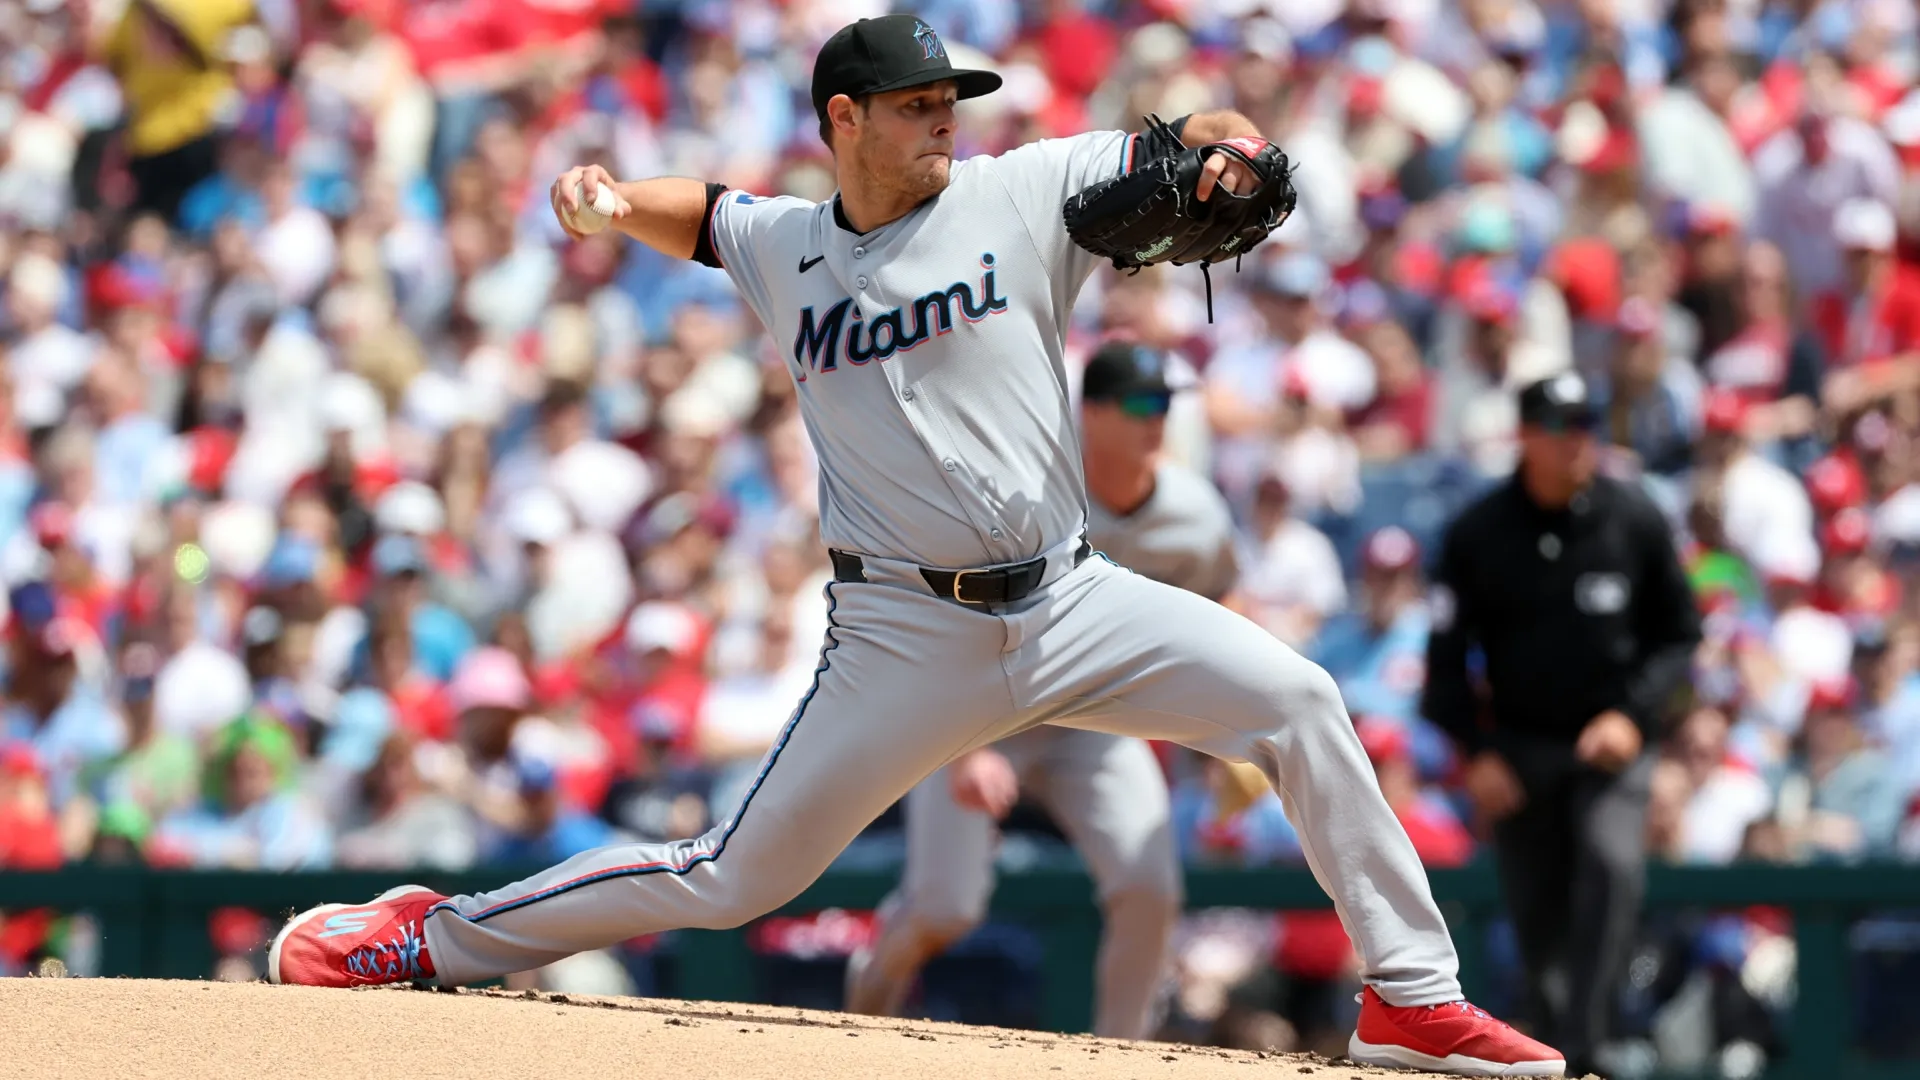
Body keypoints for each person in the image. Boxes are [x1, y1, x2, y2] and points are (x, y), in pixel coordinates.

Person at [269, 16, 1562, 1074]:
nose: (946, 116)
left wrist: (1234, 147)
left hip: (1072, 602)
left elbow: (1194, 135)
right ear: (846, 120)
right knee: (729, 878)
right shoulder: (788, 244)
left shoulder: (1023, 188)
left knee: (1299, 699)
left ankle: (1408, 997)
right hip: (903, 632)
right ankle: (422, 938)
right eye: (917, 102)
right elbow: (709, 214)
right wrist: (610, 203)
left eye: (951, 96)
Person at [845, 341, 1227, 1039]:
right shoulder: (1027, 494)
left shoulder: (1195, 516)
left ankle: (1124, 1053)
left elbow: (1218, 619)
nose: (1158, 419)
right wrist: (963, 748)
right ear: (1092, 414)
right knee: (944, 909)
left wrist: (1225, 740)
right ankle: (867, 1000)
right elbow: (948, 621)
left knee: (1149, 887)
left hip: (1094, 724)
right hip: (984, 713)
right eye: (1142, 403)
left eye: (1166, 404)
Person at [1423, 372, 1702, 1075]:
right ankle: (1557, 1045)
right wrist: (1477, 753)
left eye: (1586, 423)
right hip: (1519, 747)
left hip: (1610, 741)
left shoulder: (1632, 516)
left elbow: (1679, 634)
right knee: (1535, 904)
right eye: (1559, 426)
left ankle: (1590, 1043)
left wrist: (1633, 715)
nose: (1576, 440)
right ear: (1524, 435)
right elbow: (1447, 664)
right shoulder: (1479, 532)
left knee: (1610, 860)